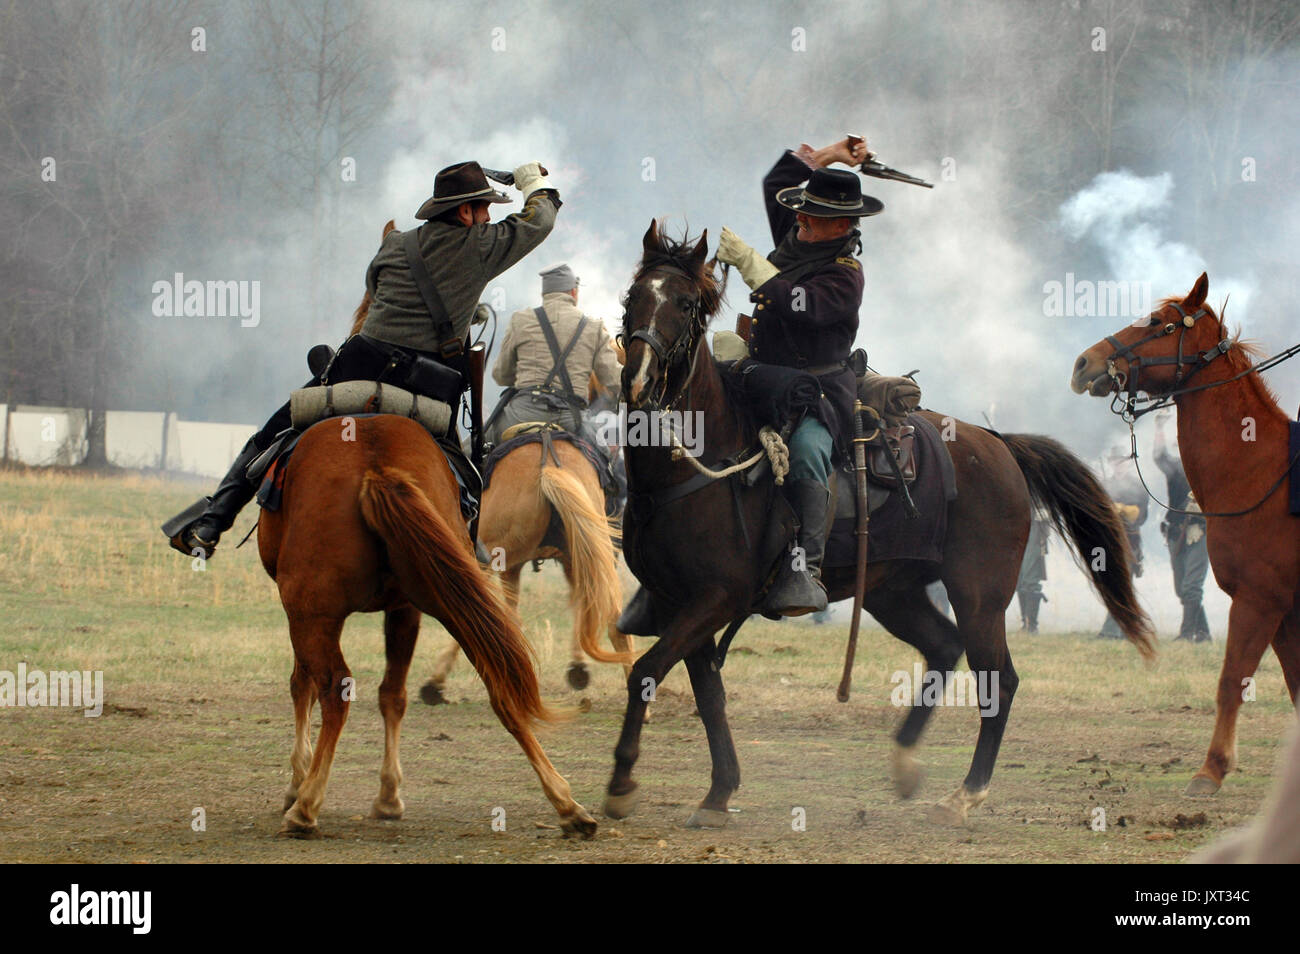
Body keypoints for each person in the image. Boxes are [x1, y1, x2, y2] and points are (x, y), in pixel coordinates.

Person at [163, 160, 559, 558]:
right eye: (485, 207)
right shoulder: (480, 247)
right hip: (427, 383)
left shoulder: (395, 245)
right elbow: (539, 220)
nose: (489, 215)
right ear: (464, 211)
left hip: (359, 363)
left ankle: (211, 523)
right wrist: (531, 179)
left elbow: (375, 289)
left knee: (274, 431)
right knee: (466, 466)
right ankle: (467, 538)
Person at [714, 136, 881, 616]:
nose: (802, 219)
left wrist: (749, 264)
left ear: (844, 226)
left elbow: (800, 306)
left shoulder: (846, 274)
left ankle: (806, 568)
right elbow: (779, 181)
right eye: (803, 211)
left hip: (818, 391)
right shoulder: (799, 230)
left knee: (807, 453)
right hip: (762, 372)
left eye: (815, 216)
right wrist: (829, 155)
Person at [484, 263, 621, 450]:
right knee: (608, 464)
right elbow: (612, 378)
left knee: (472, 450)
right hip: (571, 419)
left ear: (545, 293)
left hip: (521, 413)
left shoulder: (520, 320)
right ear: (574, 292)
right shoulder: (594, 327)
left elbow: (501, 375)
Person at [1154, 409, 1210, 642]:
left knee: (1191, 587)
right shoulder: (1176, 468)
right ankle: (1204, 633)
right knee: (1182, 588)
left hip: (1199, 531)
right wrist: (1158, 427)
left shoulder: (1209, 468)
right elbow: (1159, 456)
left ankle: (1187, 635)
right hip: (1176, 531)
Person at [1097, 445, 1148, 640]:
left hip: (1129, 540)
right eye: (1115, 461)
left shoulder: (1138, 486)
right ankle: (1128, 628)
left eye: (1122, 461)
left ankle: (1112, 631)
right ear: (1111, 464)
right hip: (1108, 541)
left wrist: (1124, 512)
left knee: (1122, 584)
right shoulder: (1104, 485)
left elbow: (1142, 516)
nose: (1119, 465)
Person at [1015, 508, 1051, 634]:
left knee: (1030, 576)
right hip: (1017, 513)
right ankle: (1026, 623)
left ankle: (1032, 627)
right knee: (1019, 577)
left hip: (1036, 516)